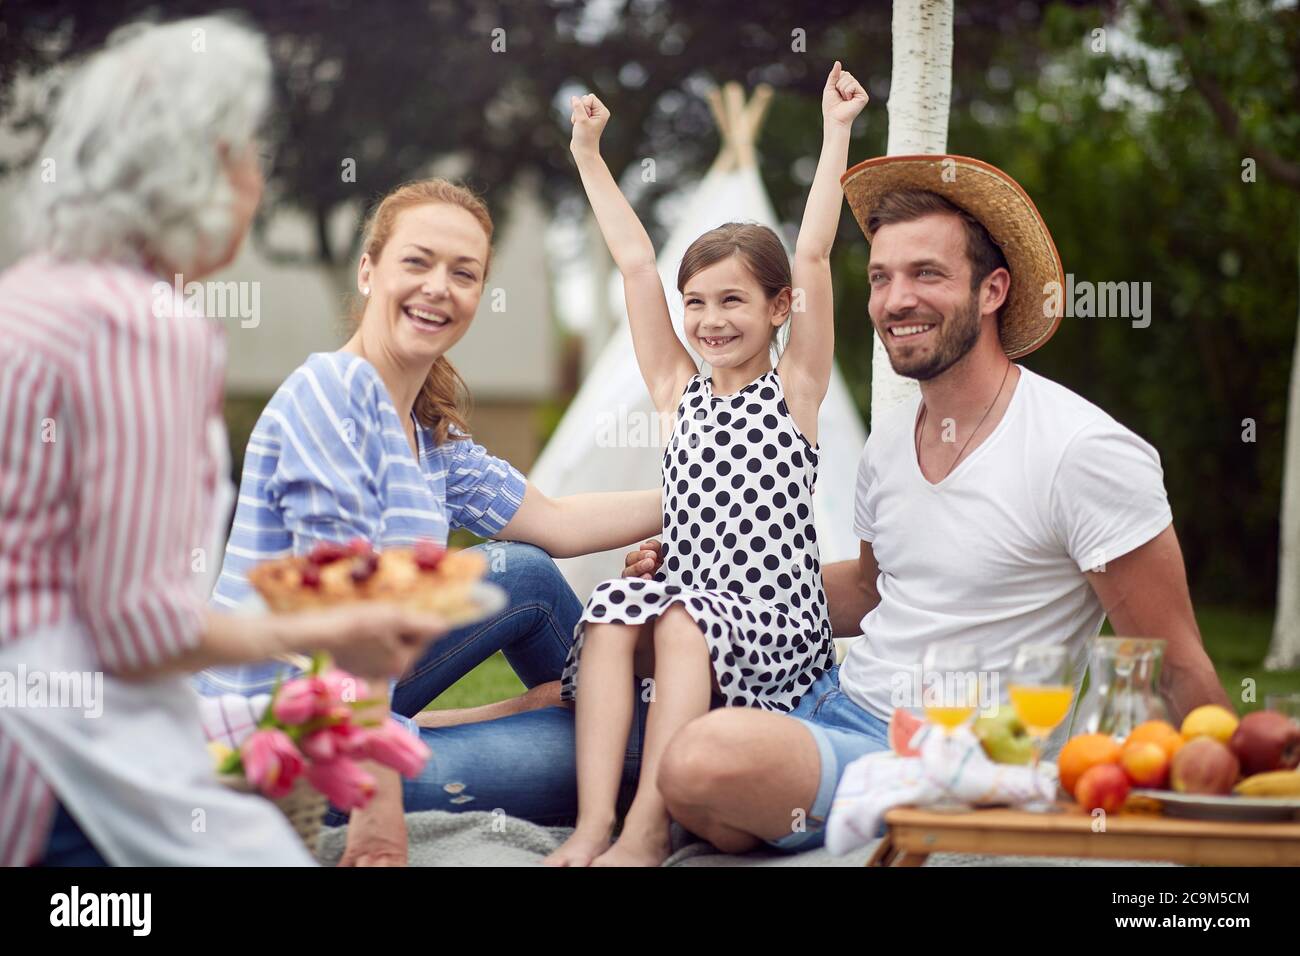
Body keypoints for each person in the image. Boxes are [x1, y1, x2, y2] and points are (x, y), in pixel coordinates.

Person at [638, 155, 1232, 854]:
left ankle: (867, 807)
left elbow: (1174, 659)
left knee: (700, 762)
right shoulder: (891, 441)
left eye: (927, 274)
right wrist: (692, 582)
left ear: (992, 291)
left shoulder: (1083, 450)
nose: (895, 301)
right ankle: (811, 812)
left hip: (955, 749)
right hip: (825, 703)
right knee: (615, 700)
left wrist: (1241, 804)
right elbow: (864, 590)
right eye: (881, 278)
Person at [0, 16, 443, 867]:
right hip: (65, 773)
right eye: (245, 156)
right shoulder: (141, 327)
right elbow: (139, 630)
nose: (255, 183)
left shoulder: (31, 292)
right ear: (196, 169)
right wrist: (328, 635)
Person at [196, 177, 663, 866]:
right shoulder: (334, 391)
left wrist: (713, 491)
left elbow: (557, 521)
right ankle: (618, 729)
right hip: (289, 747)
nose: (439, 286)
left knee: (528, 573)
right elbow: (342, 623)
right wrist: (376, 811)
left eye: (463, 272)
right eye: (417, 262)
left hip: (354, 692)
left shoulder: (426, 434)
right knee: (634, 745)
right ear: (369, 270)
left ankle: (573, 703)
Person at [544, 63, 868, 867]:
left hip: (777, 626)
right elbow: (634, 263)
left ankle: (649, 831)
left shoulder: (796, 388)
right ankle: (594, 826)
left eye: (733, 301)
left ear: (777, 308)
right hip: (690, 601)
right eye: (697, 302)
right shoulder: (675, 392)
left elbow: (819, 253)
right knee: (618, 603)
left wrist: (837, 134)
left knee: (686, 618)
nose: (710, 319)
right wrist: (588, 153)